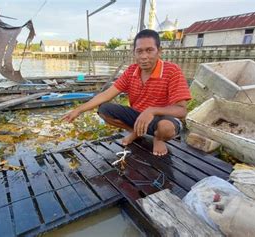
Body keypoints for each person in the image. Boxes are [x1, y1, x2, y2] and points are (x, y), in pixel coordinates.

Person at [62, 29, 191, 156]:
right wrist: (78, 110)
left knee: (165, 128)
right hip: (138, 116)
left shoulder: (172, 71)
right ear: (134, 53)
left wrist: (152, 111)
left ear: (159, 51)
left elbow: (181, 111)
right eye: (139, 51)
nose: (144, 56)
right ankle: (136, 132)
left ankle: (159, 139)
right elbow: (106, 95)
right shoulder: (131, 71)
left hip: (162, 119)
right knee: (104, 110)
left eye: (149, 50)